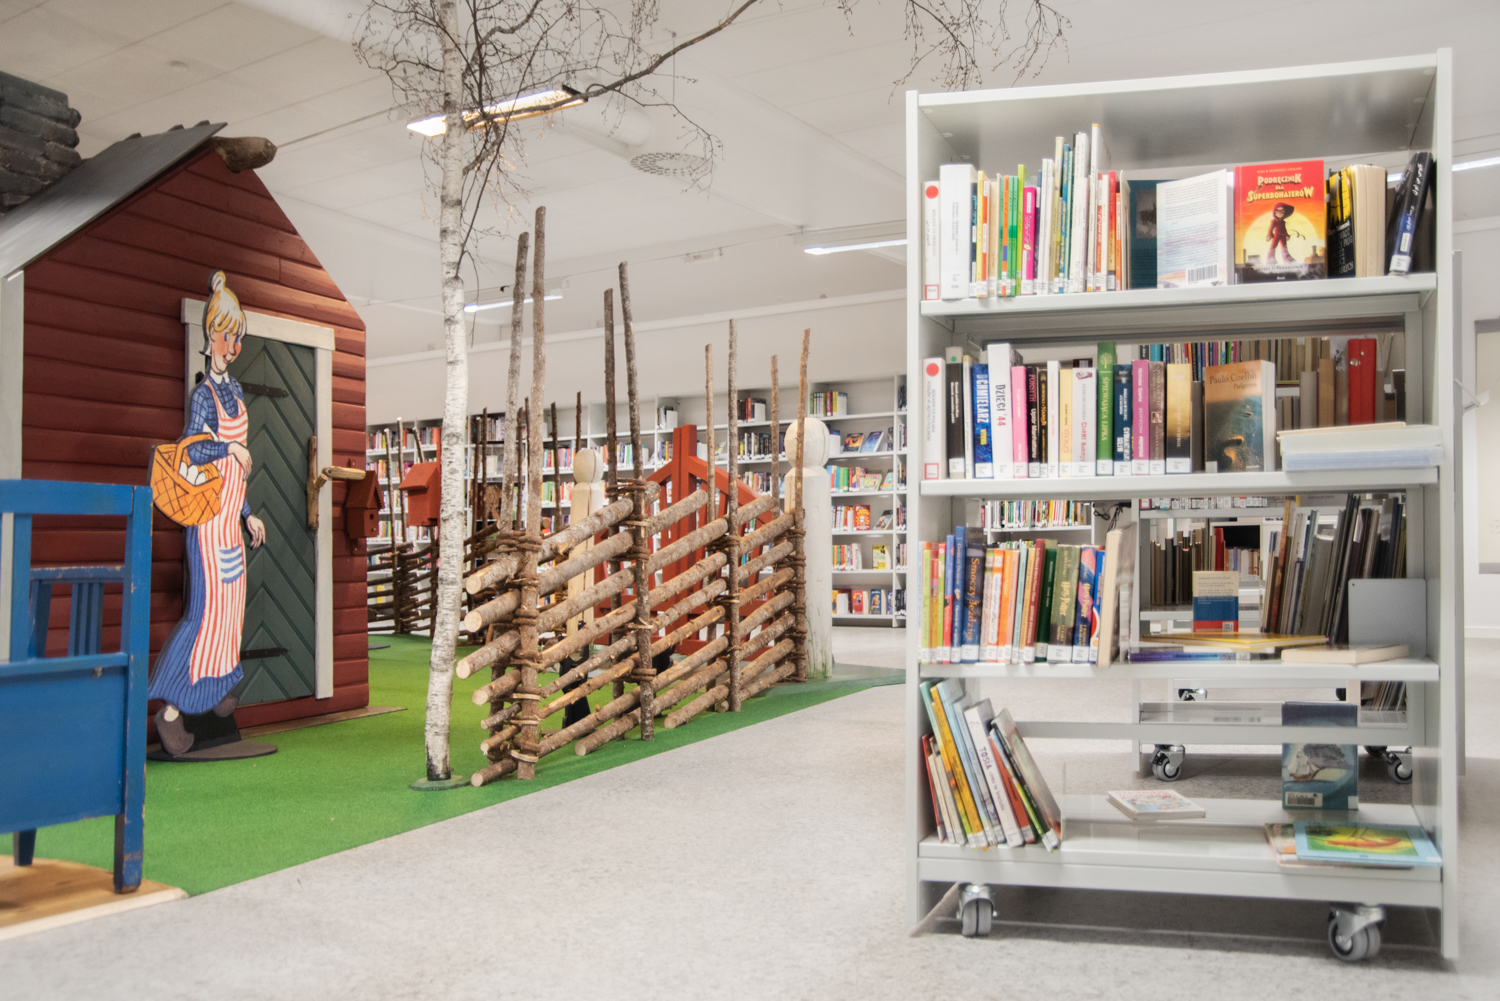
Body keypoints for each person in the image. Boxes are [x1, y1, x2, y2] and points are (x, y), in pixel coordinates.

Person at [150, 271, 266, 755]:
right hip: (205, 524)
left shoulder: (234, 391)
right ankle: (171, 712)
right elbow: (192, 450)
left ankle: (218, 689)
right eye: (226, 336)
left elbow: (235, 476)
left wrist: (247, 513)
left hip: (229, 520)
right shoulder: (204, 396)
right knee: (206, 615)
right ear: (210, 334)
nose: (232, 347)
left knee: (231, 612)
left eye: (238, 338)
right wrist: (228, 448)